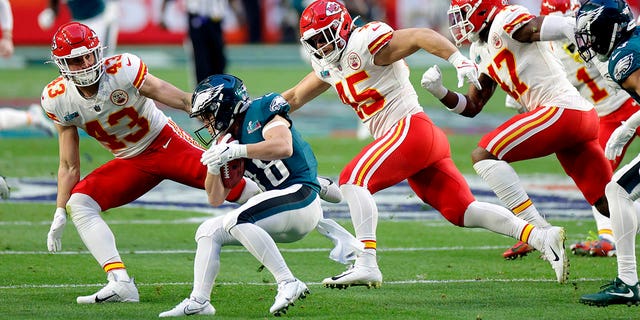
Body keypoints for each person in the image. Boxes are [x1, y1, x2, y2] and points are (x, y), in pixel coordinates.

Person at [282, 0, 569, 288]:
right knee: (462, 211)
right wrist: (254, 115)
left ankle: (366, 262)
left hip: (409, 130)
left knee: (353, 181)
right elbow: (293, 98)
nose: (321, 45)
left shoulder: (365, 42)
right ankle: (541, 236)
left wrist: (457, 59)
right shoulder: (328, 65)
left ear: (342, 27)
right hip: (415, 140)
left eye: (325, 36)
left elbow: (421, 36)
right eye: (315, 40)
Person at [40, 21, 262, 304]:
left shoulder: (123, 69)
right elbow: (69, 164)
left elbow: (182, 100)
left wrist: (221, 126)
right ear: (62, 65)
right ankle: (120, 283)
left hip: (166, 143)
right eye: (75, 60)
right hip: (130, 162)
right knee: (79, 203)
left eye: (89, 55)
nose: (85, 64)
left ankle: (313, 219)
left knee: (245, 190)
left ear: (98, 52)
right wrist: (60, 209)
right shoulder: (57, 100)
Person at [421, 0, 613, 267]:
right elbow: (473, 106)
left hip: (561, 110)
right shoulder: (480, 48)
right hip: (577, 117)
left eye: (463, 14)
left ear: (482, 9)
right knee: (608, 204)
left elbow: (535, 27)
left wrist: (571, 25)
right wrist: (440, 92)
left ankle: (538, 231)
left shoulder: (505, 19)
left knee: (484, 154)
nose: (458, 23)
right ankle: (544, 233)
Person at [160, 74, 344, 317]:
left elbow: (283, 146)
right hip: (282, 209)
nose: (206, 121)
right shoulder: (226, 139)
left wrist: (238, 150)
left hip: (301, 196)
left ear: (225, 106)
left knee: (237, 220)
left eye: (209, 113)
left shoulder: (260, 110)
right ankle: (200, 301)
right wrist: (215, 167)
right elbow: (215, 198)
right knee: (208, 231)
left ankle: (288, 282)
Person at [500, 0, 637, 259]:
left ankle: (608, 237)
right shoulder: (590, 34)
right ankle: (608, 237)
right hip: (610, 112)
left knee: (604, 183)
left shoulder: (550, 48)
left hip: (619, 108)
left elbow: (519, 97)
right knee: (603, 184)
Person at [573, 0, 640, 306]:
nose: (589, 40)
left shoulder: (626, 56)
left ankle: (627, 283)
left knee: (617, 190)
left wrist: (628, 126)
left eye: (592, 32)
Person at [160, 0, 231, 84]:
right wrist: (162, 15)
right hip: (197, 19)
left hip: (216, 20)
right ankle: (202, 91)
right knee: (201, 60)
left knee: (219, 60)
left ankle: (220, 90)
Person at [38, 0, 120, 56]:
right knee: (78, 57)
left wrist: (111, 6)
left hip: (99, 18)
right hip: (78, 22)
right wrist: (50, 12)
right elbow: (54, 4)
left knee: (101, 55)